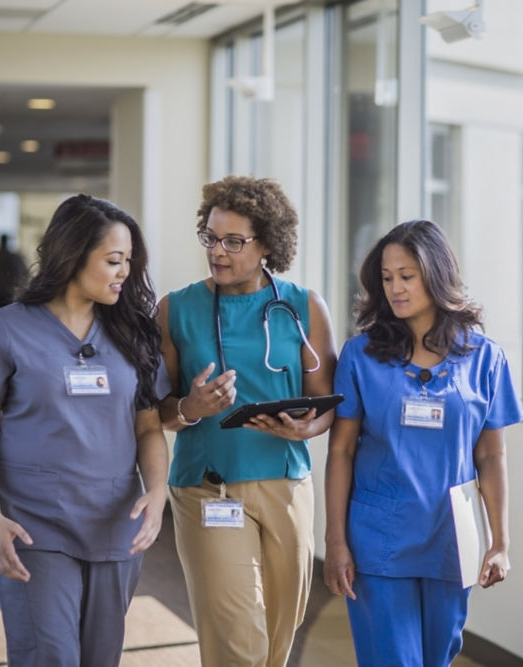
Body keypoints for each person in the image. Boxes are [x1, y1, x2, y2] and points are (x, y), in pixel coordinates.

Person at [0, 194, 171, 666]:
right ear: (73, 255)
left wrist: (157, 494)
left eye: (129, 262)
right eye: (113, 261)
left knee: (100, 658)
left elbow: (149, 429)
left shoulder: (133, 333)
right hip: (34, 524)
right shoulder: (6, 329)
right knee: (50, 656)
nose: (124, 273)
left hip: (114, 523)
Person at [324, 219, 523, 667]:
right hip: (379, 539)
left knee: (438, 658)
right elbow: (341, 451)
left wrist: (501, 541)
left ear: (435, 274)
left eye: (406, 276)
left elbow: (491, 454)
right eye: (387, 278)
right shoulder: (361, 355)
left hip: (453, 538)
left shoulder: (485, 358)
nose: (395, 288)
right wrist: (334, 539)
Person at [157, 175, 338, 667]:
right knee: (238, 639)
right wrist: (190, 408)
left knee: (282, 628)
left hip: (285, 481)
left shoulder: (304, 307)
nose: (217, 251)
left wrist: (306, 428)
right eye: (210, 237)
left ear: (267, 245)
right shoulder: (175, 309)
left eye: (233, 241)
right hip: (207, 485)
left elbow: (327, 402)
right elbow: (154, 412)